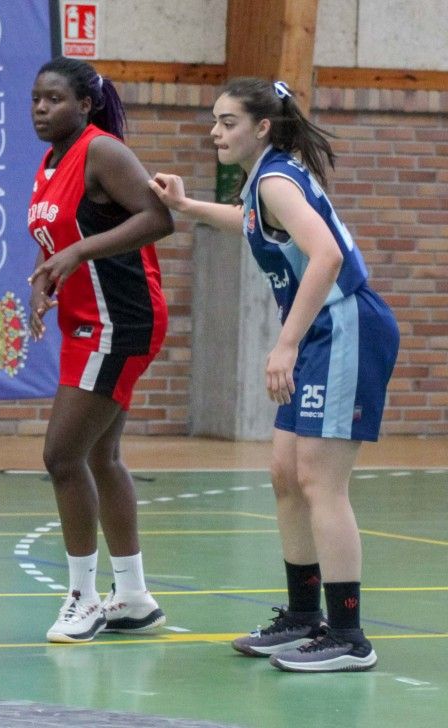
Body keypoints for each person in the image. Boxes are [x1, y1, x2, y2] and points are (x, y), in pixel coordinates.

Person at [151, 78, 398, 672]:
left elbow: (328, 256)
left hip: (344, 327)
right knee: (286, 474)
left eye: (228, 121)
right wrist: (186, 208)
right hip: (321, 331)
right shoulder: (265, 178)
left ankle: (348, 635)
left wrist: (284, 343)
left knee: (319, 481)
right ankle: (302, 615)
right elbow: (250, 222)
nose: (215, 131)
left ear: (262, 127)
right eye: (214, 120)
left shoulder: (278, 178)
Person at [25, 57, 174, 643]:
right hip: (85, 321)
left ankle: (84, 599)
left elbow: (158, 217)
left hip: (122, 320)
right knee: (99, 456)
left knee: (62, 456)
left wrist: (79, 255)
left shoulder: (102, 150)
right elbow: (61, 239)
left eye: (54, 99)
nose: (41, 108)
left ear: (84, 105)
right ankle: (132, 596)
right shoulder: (49, 161)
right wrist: (45, 277)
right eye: (36, 98)